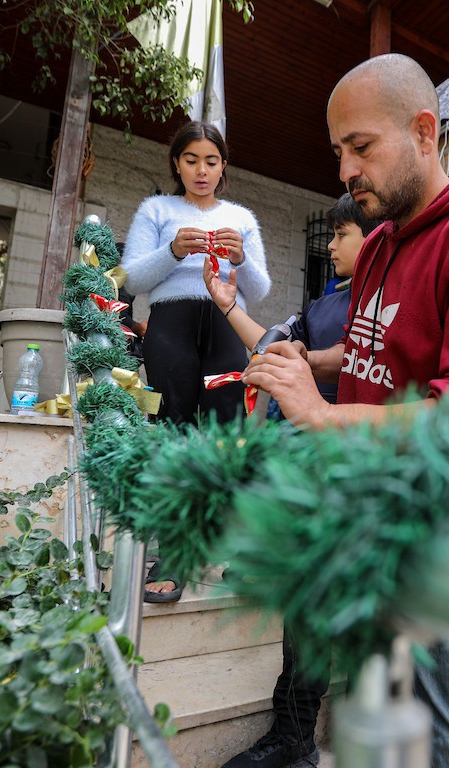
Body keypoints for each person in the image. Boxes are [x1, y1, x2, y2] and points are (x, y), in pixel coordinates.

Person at [243, 54, 449, 768]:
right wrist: (313, 364)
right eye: (338, 153)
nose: (346, 171)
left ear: (424, 132)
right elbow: (376, 347)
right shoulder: (379, 245)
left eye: (362, 146)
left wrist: (321, 416)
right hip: (380, 520)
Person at [207, 192, 380, 768]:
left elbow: (358, 361)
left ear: (376, 237)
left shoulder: (386, 300)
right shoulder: (324, 301)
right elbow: (273, 347)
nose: (331, 246)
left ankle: (305, 734)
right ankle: (295, 735)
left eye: (343, 234)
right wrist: (229, 305)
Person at [122, 120, 271, 603]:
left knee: (229, 433)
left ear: (223, 166)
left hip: (227, 325)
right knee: (175, 431)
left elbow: (260, 290)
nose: (201, 171)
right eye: (191, 160)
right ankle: (175, 552)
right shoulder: (156, 210)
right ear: (177, 163)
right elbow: (131, 279)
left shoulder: (241, 217)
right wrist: (171, 251)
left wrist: (241, 259)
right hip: (171, 326)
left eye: (211, 161)